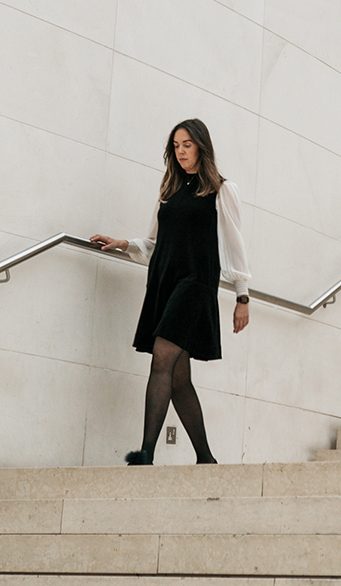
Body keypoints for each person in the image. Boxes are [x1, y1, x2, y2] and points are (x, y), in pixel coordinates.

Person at [89, 118, 251, 465]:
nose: (180, 152)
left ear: (202, 147)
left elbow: (236, 246)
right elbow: (154, 241)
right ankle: (206, 458)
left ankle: (145, 452)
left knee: (162, 355)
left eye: (187, 145)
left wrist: (242, 296)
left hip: (196, 282)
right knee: (178, 379)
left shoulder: (222, 191)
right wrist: (123, 244)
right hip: (164, 280)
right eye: (176, 146)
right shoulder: (169, 190)